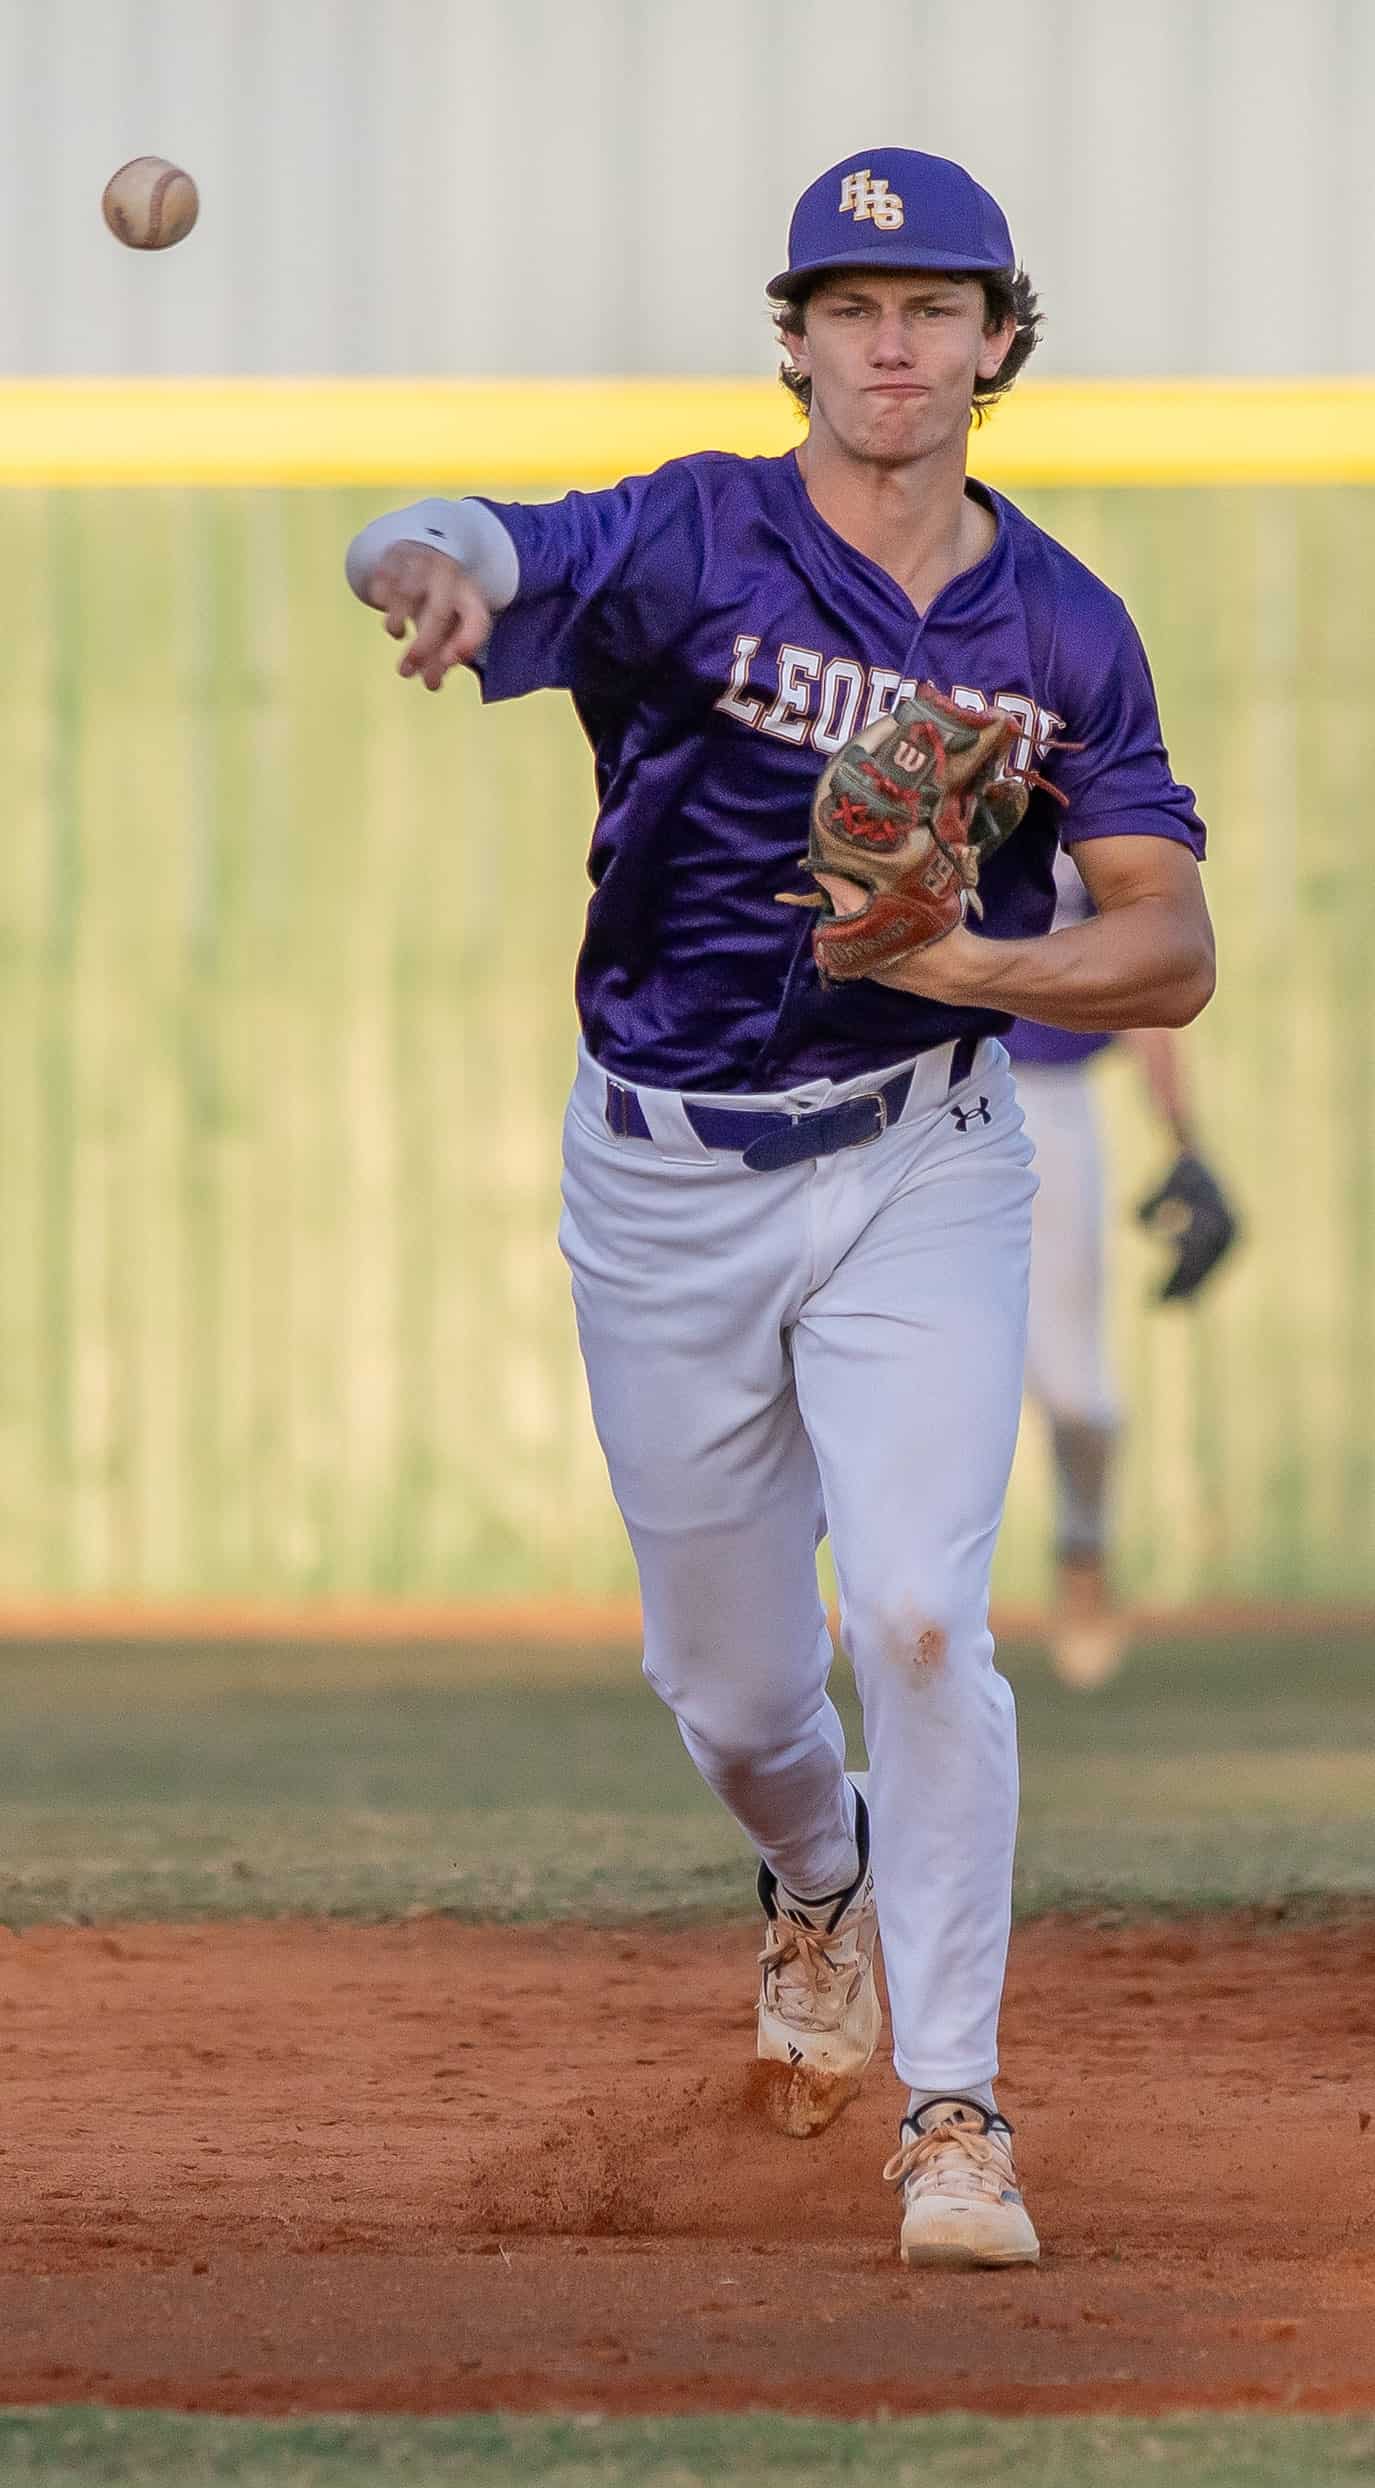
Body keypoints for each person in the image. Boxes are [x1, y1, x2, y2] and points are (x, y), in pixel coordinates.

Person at [344, 146, 1214, 2269]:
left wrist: (970, 974)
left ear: (997, 341)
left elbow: (1169, 941)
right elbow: (468, 532)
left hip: (923, 1144)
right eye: (848, 306)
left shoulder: (1059, 625)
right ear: (799, 337)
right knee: (737, 1696)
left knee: (917, 1612)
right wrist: (420, 564)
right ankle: (809, 1876)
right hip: (662, 1174)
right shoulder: (692, 534)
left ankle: (954, 2108)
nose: (889, 342)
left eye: (930, 307)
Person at [1007, 848, 1239, 1689]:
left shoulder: (1085, 778)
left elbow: (1144, 965)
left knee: (1076, 1396)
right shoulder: (895, 747)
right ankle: (898, 1615)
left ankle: (1082, 1551)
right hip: (913, 1088)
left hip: (1049, 1102)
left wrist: (1183, 1139)